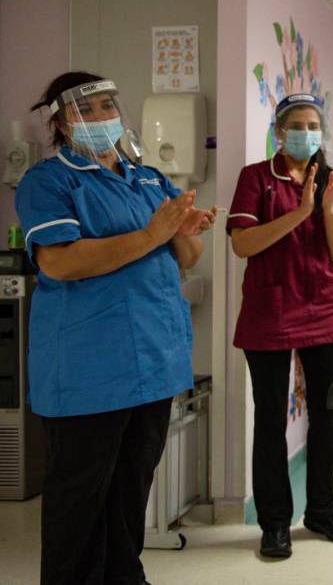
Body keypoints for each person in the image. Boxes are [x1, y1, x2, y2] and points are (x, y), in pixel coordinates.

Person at [16, 72, 215, 584]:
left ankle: (126, 577)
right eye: (92, 109)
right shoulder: (51, 181)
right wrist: (153, 232)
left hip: (153, 363)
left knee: (131, 493)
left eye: (110, 105)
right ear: (62, 122)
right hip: (89, 373)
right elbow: (59, 262)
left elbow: (186, 255)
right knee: (79, 504)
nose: (105, 116)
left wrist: (184, 232)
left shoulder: (147, 178)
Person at [227, 93, 333, 558]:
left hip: (323, 308)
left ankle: (321, 510)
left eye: (313, 125)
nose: (306, 133)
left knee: (327, 415)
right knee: (270, 420)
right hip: (270, 312)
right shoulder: (256, 178)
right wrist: (299, 212)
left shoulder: (330, 181)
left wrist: (326, 208)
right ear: (280, 132)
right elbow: (243, 244)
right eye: (296, 125)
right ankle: (275, 522)